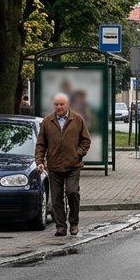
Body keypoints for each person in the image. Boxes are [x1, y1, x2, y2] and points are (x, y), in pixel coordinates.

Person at [35, 92, 91, 237]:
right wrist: (40, 161)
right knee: (56, 198)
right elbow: (41, 144)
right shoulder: (47, 121)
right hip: (54, 166)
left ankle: (74, 223)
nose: (59, 107)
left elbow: (86, 141)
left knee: (72, 192)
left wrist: (77, 153)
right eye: (56, 104)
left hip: (73, 165)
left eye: (62, 104)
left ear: (68, 105)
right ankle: (61, 226)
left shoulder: (77, 119)